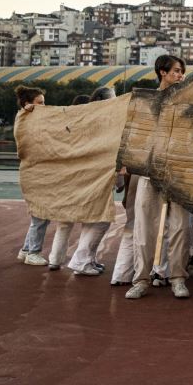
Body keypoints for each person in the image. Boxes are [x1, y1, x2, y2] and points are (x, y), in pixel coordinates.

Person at [125, 55, 193, 300]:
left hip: (179, 172)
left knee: (181, 227)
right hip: (149, 171)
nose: (180, 76)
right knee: (144, 226)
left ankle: (177, 277)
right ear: (162, 72)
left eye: (182, 72)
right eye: (176, 71)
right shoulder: (146, 100)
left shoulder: (189, 104)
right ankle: (141, 278)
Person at [48, 87, 116, 276]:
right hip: (90, 177)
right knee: (98, 219)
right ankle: (82, 260)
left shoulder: (74, 121)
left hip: (71, 176)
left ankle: (60, 259)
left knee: (67, 220)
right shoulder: (100, 122)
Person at [15, 86, 49, 266]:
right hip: (34, 173)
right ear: (28, 104)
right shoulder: (24, 118)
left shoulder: (34, 120)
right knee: (41, 213)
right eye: (40, 103)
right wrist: (25, 111)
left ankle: (26, 249)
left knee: (39, 214)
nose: (44, 106)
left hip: (37, 172)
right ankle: (33, 252)